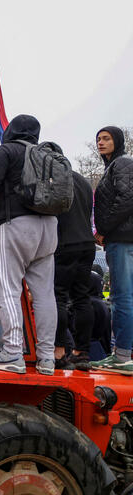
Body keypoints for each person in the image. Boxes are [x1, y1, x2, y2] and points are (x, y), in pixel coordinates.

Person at [0, 115, 58, 375]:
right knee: (44, 294)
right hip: (49, 226)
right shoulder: (46, 154)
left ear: (11, 130)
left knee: (8, 289)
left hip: (16, 224)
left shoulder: (7, 150)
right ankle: (47, 358)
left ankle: (13, 353)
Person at [91, 126, 133, 373]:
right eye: (98, 139)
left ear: (117, 141)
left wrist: (103, 228)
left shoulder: (122, 163)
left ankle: (122, 356)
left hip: (122, 238)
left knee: (122, 297)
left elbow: (128, 198)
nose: (100, 143)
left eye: (106, 138)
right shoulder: (114, 166)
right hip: (121, 238)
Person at [53, 170, 96, 371]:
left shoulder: (54, 178)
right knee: (82, 297)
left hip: (65, 244)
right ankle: (82, 352)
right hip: (87, 243)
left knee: (58, 296)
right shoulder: (82, 181)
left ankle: (59, 350)